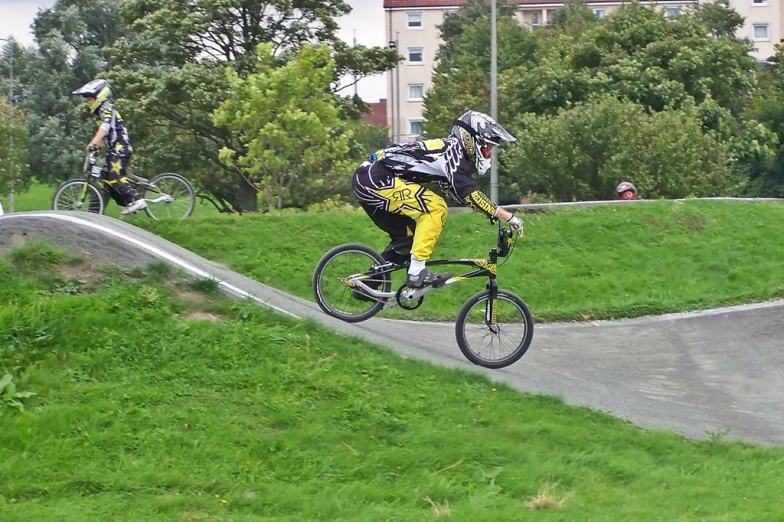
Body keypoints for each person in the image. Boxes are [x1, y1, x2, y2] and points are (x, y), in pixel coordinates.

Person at [352, 110, 523, 291]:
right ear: (472, 139)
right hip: (375, 179)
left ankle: (367, 284)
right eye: (487, 147)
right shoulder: (453, 153)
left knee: (408, 237)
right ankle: (416, 272)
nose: (488, 154)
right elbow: (469, 194)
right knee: (437, 207)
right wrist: (508, 217)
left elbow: (459, 195)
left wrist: (488, 212)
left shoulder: (451, 154)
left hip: (367, 179)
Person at [71, 79, 148, 215]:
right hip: (115, 148)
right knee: (107, 179)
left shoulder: (106, 108)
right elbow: (101, 136)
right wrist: (94, 149)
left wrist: (92, 143)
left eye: (89, 99)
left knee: (115, 175)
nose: (88, 102)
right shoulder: (100, 113)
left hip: (121, 147)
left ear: (99, 97)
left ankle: (136, 199)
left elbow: (105, 128)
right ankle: (125, 204)